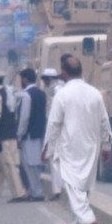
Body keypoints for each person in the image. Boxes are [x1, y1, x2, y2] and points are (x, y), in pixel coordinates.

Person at [43, 56, 112, 224]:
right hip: (91, 146)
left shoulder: (62, 94)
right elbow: (104, 121)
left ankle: (90, 222)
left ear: (64, 73)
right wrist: (106, 145)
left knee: (74, 187)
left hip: (70, 147)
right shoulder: (95, 93)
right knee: (83, 187)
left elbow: (54, 124)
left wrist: (48, 149)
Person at [0, 70, 28, 202]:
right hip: (8, 135)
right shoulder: (8, 93)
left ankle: (19, 194)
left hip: (2, 137)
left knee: (8, 166)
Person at [17, 68, 47, 201]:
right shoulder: (42, 93)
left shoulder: (26, 95)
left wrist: (19, 134)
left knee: (29, 164)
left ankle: (37, 192)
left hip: (29, 135)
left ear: (25, 79)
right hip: (39, 132)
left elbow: (24, 117)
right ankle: (36, 191)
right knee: (36, 163)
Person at [40, 67, 65, 201]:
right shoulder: (55, 90)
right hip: (59, 128)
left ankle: (57, 191)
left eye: (45, 80)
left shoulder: (57, 91)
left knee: (54, 159)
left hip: (58, 129)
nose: (44, 83)